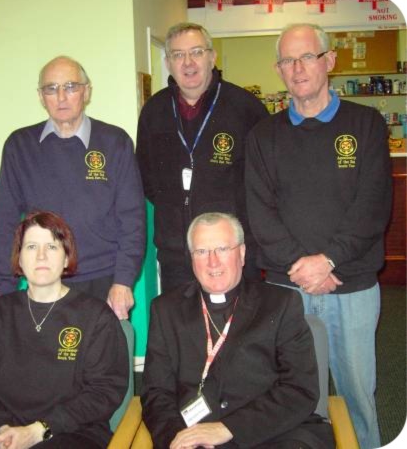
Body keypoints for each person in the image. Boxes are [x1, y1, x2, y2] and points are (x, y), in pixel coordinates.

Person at [245, 24, 392, 449]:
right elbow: (261, 214)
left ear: (329, 61)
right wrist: (304, 268)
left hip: (352, 286)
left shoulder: (365, 124)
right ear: (278, 70)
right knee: (292, 397)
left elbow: (372, 207)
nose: (298, 68)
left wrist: (327, 262)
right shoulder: (263, 136)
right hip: (286, 291)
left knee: (357, 397)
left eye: (307, 56)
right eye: (288, 60)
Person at [141, 212, 334, 449]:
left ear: (241, 254)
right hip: (195, 436)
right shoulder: (166, 310)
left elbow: (299, 389)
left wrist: (229, 428)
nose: (213, 262)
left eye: (222, 249)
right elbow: (156, 392)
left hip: (271, 434)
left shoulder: (280, 303)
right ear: (191, 258)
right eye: (201, 251)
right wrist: (177, 439)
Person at [0, 211, 128, 449]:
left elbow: (104, 391)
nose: (41, 256)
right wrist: (2, 427)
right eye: (31, 247)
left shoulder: (95, 317)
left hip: (70, 434)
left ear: (67, 258)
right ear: (19, 259)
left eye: (51, 246)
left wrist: (40, 430)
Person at [0, 56, 145, 319]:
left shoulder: (114, 142)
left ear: (86, 91)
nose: (61, 96)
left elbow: (132, 219)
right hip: (43, 282)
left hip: (104, 280)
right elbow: (4, 222)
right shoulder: (19, 146)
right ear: (41, 96)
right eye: (51, 88)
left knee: (105, 357)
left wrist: (123, 281)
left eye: (71, 86)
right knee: (48, 359)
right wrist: (5, 290)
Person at [136, 22, 269, 293]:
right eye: (178, 55)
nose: (188, 62)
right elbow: (148, 180)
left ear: (212, 56)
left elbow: (265, 182)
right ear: (168, 62)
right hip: (177, 254)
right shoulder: (155, 110)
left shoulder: (246, 108)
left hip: (231, 253)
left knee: (239, 331)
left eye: (196, 52)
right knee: (183, 329)